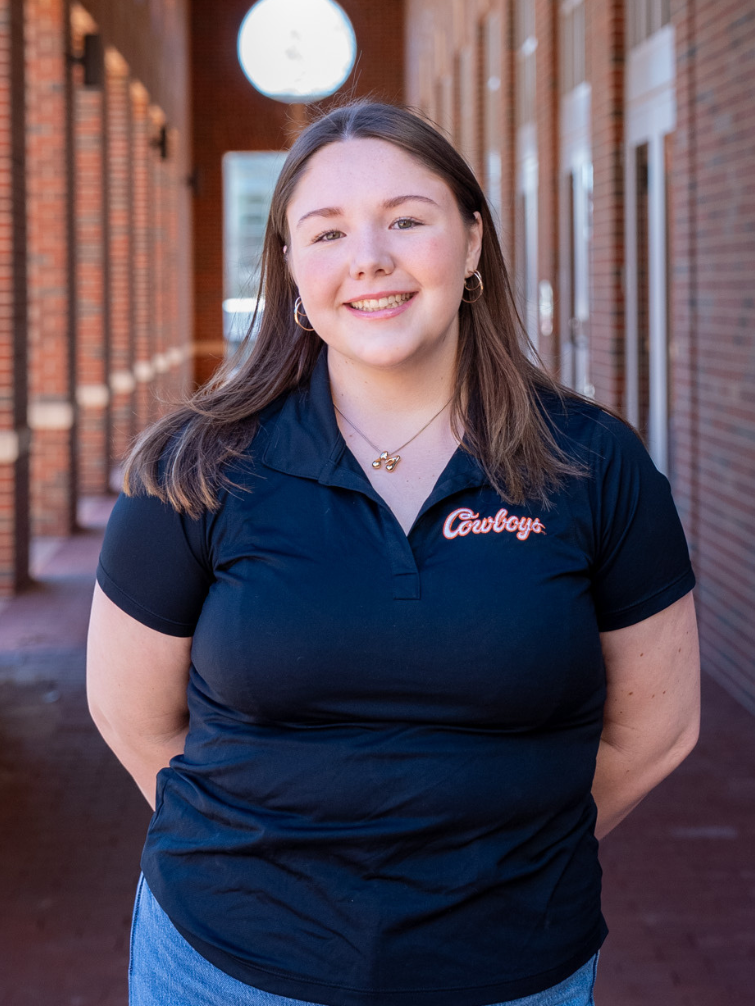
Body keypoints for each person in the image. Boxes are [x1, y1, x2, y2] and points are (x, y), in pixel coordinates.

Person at [86, 100, 700, 1006]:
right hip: (226, 964)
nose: (368, 257)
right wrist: (272, 863)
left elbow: (657, 730)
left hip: (510, 966)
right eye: (326, 231)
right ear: (291, 269)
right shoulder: (197, 467)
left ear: (473, 240)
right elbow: (134, 720)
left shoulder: (591, 461)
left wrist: (498, 861)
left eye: (406, 220)